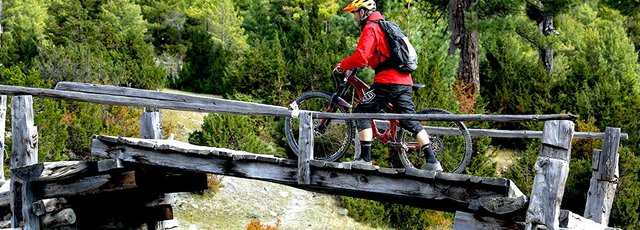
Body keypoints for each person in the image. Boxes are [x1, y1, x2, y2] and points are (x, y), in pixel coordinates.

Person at [336, 0, 442, 171]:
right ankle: (432, 161)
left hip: (387, 82)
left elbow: (361, 57)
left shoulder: (371, 28)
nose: (354, 17)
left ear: (363, 13)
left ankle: (365, 159)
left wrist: (343, 64)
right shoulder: (388, 26)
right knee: (410, 121)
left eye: (355, 13)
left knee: (360, 112)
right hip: (405, 80)